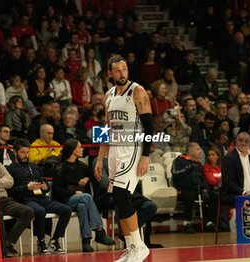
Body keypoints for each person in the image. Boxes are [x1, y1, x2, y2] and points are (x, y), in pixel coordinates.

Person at [94, 55, 151, 261]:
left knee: (121, 194)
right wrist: (100, 158)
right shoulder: (108, 95)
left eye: (124, 69)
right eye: (117, 70)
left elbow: (150, 125)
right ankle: (130, 248)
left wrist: (146, 155)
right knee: (119, 199)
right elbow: (106, 128)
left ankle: (139, 246)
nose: (122, 73)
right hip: (115, 150)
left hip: (133, 148)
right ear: (110, 73)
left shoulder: (137, 91)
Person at [7, 138, 72, 255]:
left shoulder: (35, 167)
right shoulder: (10, 169)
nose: (25, 155)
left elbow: (46, 183)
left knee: (66, 210)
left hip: (42, 198)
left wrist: (46, 186)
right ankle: (41, 242)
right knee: (40, 211)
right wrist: (26, 187)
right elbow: (11, 191)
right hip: (26, 200)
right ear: (15, 152)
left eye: (27, 152)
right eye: (22, 152)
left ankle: (55, 240)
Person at [52, 138, 115, 252]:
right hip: (63, 200)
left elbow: (92, 176)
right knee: (86, 197)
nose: (82, 149)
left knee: (82, 206)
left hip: (80, 200)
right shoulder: (59, 167)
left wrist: (87, 178)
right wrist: (74, 192)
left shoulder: (81, 165)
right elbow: (57, 190)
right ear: (72, 150)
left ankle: (86, 241)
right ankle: (100, 231)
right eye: (80, 147)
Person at [171, 142, 218, 234]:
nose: (200, 151)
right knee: (189, 196)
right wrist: (187, 169)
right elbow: (175, 174)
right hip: (184, 189)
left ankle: (210, 222)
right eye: (197, 149)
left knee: (214, 195)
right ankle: (187, 224)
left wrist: (205, 188)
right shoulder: (179, 160)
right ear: (190, 151)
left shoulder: (198, 164)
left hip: (198, 189)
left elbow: (203, 179)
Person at [221, 132, 250, 205]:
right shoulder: (229, 158)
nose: (243, 143)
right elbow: (228, 182)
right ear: (236, 142)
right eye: (240, 140)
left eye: (246, 141)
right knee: (248, 203)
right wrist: (244, 192)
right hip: (234, 195)